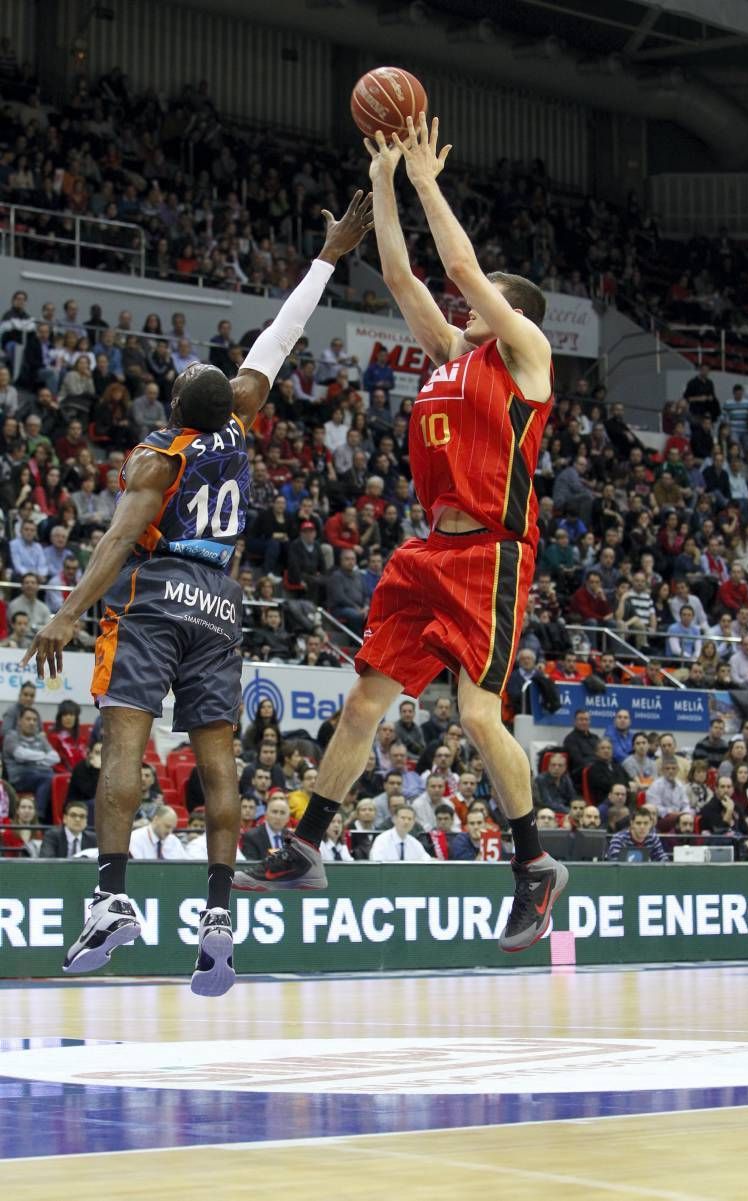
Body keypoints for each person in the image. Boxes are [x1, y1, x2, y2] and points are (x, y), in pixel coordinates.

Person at [22, 193, 374, 995]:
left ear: (178, 405)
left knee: (125, 748)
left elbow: (115, 542)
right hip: (221, 602)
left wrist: (67, 613)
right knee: (220, 767)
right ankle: (219, 914)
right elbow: (279, 340)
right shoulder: (238, 422)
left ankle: (112, 899)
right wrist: (326, 257)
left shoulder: (158, 457)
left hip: (158, 591)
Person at [233, 118, 567, 952]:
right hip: (428, 551)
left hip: (492, 550)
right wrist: (382, 178)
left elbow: (454, 265)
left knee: (479, 716)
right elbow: (401, 274)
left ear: (514, 310)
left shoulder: (525, 354)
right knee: (361, 704)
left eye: (489, 290)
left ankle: (533, 867)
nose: (468, 294)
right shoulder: (453, 354)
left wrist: (424, 178)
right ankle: (306, 845)